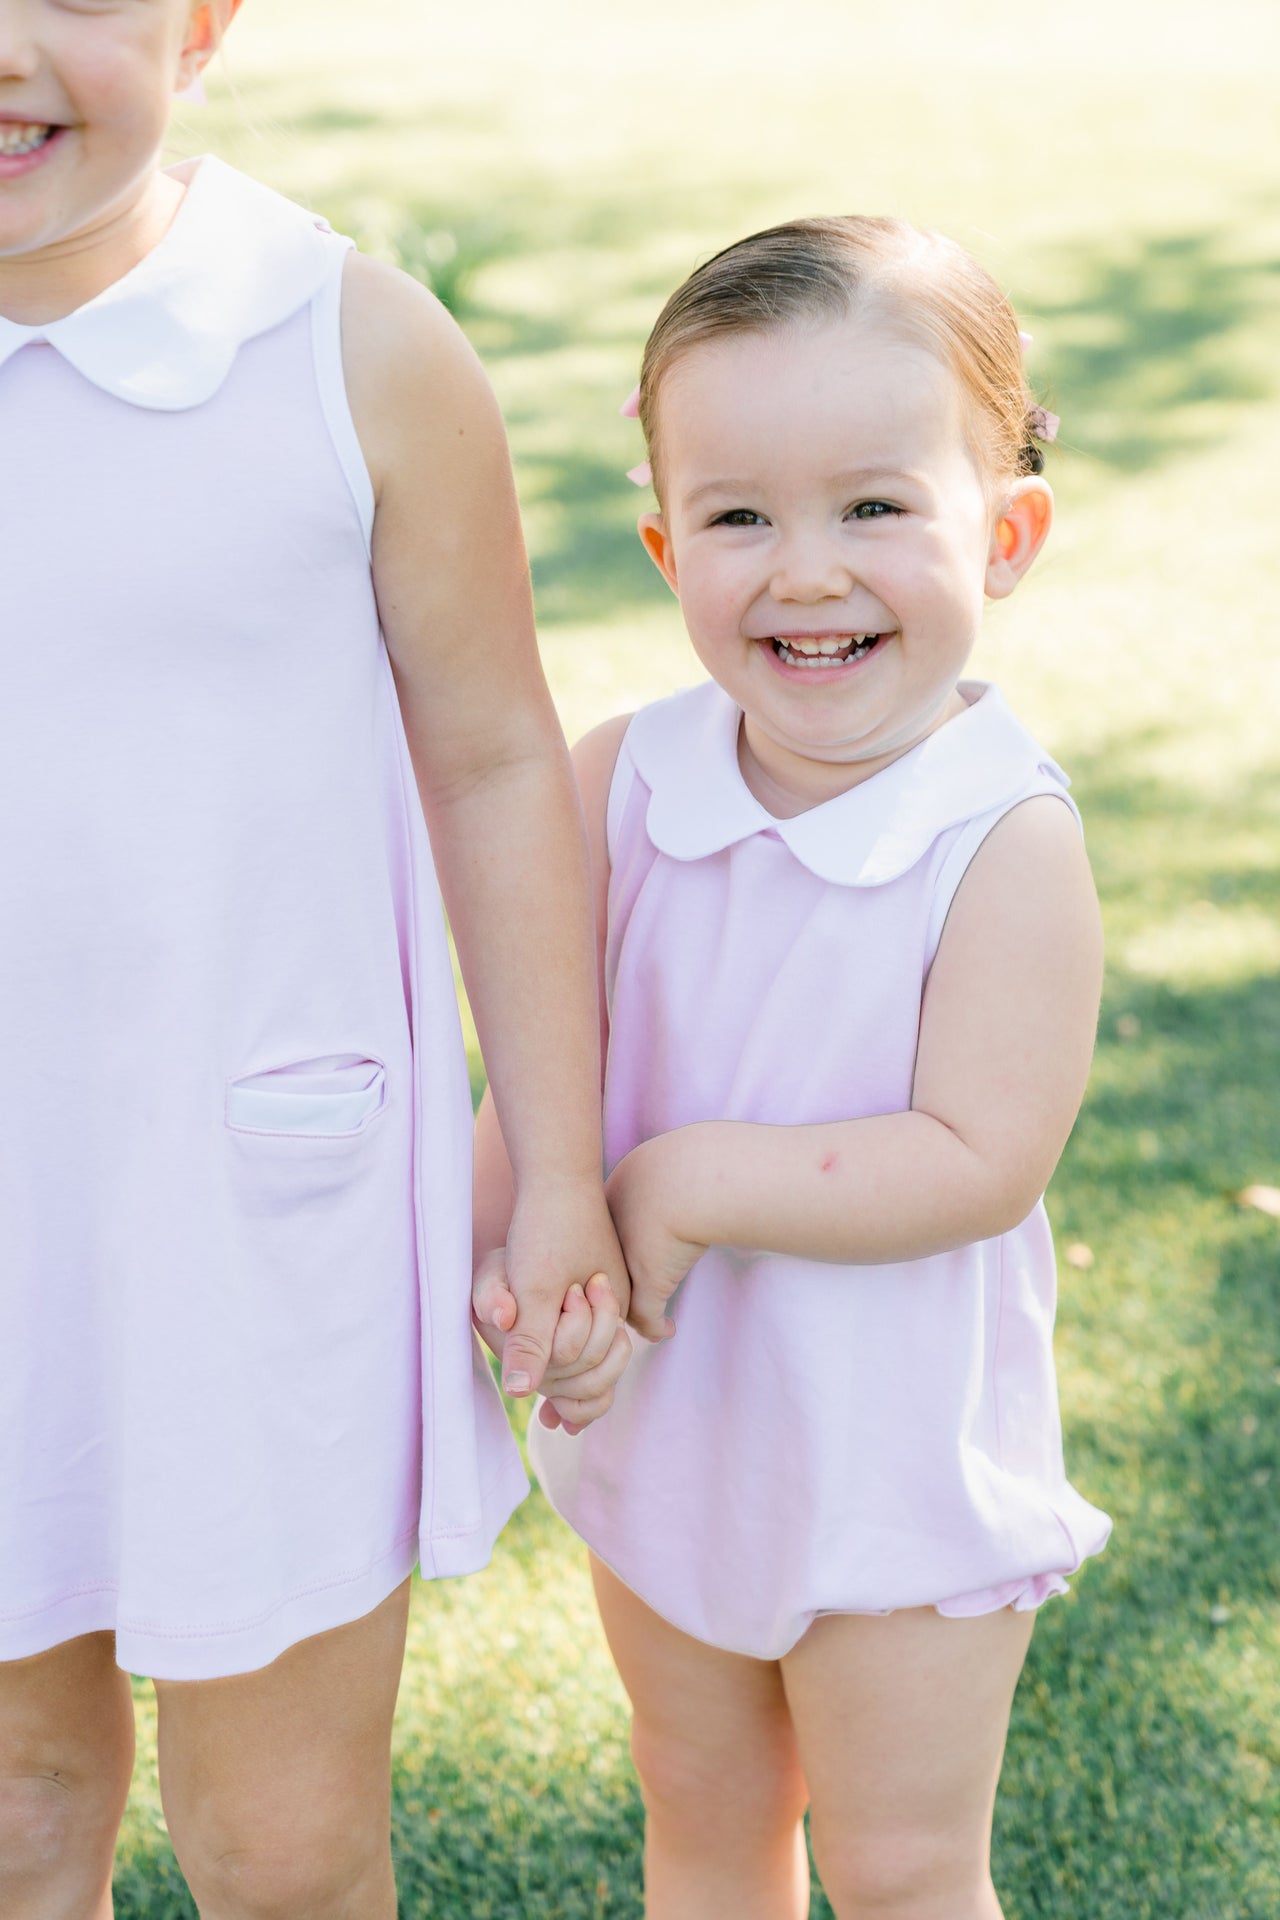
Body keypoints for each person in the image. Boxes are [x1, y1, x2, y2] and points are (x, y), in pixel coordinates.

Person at [0, 4, 632, 1915]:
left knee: (281, 1850)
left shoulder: (340, 341)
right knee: (22, 1802)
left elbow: (501, 760)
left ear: (202, 24)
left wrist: (562, 1174)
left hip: (256, 1210)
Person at [474, 216, 1113, 1919]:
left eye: (875, 506)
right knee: (702, 1811)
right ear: (665, 544)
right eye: (741, 514)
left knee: (901, 1866)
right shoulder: (629, 780)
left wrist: (687, 1182)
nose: (806, 570)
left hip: (890, 1447)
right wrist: (503, 1259)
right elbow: (538, 1059)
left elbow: (984, 1153)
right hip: (678, 1426)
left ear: (1008, 532)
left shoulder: (1000, 834)